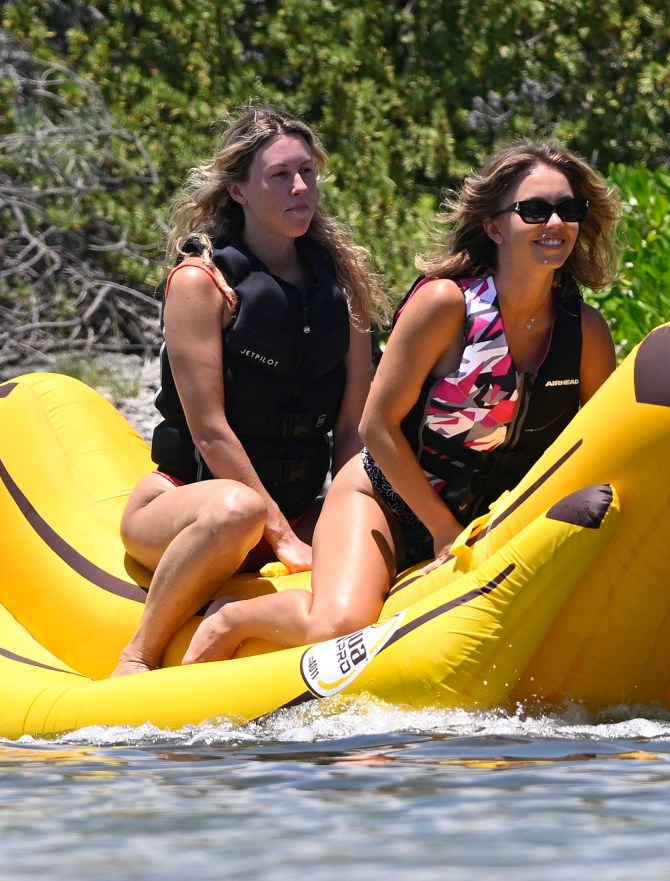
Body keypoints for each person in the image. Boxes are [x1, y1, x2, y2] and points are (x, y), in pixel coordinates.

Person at [182, 139, 621, 665]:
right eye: (534, 210)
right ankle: (233, 615)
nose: (555, 223)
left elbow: (597, 444)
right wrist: (442, 532)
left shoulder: (585, 334)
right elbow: (376, 426)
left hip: (492, 515)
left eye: (569, 210)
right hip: (384, 501)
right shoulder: (445, 305)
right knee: (341, 626)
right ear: (495, 227)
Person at [111, 105, 389, 677]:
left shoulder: (343, 287)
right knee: (237, 510)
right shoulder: (200, 283)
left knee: (379, 522)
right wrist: (283, 537)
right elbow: (210, 430)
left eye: (308, 172)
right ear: (237, 190)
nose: (300, 187)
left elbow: (352, 428)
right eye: (280, 176)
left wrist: (348, 513)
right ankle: (137, 655)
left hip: (299, 505)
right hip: (187, 504)